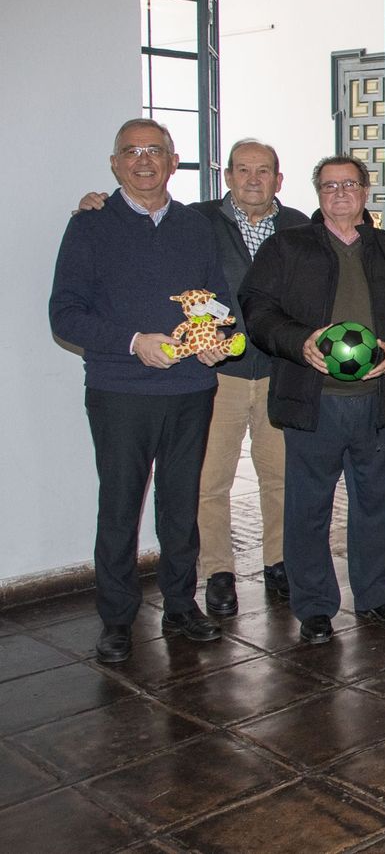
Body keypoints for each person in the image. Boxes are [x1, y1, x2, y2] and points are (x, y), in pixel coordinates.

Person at [75, 138, 311, 616]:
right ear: (226, 176)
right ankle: (218, 571)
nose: (251, 179)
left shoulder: (300, 227)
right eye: (241, 169)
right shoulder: (199, 219)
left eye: (262, 170)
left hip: (280, 371)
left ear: (278, 180)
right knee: (208, 481)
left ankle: (279, 562)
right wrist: (94, 201)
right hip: (216, 374)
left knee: (281, 476)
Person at [50, 118, 232, 662]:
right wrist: (133, 343)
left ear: (174, 161)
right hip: (120, 391)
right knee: (120, 506)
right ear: (114, 164)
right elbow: (65, 315)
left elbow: (217, 301)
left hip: (191, 388)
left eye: (155, 150)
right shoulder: (89, 226)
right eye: (131, 151)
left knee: (181, 506)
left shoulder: (197, 227)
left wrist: (219, 337)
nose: (144, 160)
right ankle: (117, 618)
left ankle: (180, 605)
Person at [238, 155, 385, 645]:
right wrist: (298, 340)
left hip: (378, 401)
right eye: (329, 186)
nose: (340, 193)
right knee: (308, 507)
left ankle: (376, 596)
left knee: (376, 504)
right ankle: (315, 606)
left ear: (367, 192)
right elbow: (257, 309)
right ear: (317, 193)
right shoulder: (288, 247)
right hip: (314, 402)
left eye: (350, 184)